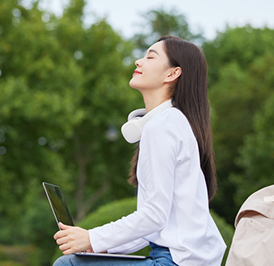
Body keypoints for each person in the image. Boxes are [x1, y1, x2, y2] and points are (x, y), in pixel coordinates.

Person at [53, 36, 226, 266]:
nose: (138, 61)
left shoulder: (161, 127)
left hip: (175, 261)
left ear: (172, 73)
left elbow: (154, 216)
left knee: (69, 264)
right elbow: (157, 225)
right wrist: (97, 245)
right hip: (182, 258)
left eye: (150, 57)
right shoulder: (173, 122)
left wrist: (91, 237)